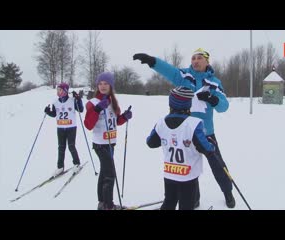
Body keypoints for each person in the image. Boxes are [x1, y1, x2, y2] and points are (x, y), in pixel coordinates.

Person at [133, 48, 235, 208]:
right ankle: (194, 197)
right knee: (188, 166)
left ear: (207, 61)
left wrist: (212, 98)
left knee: (218, 164)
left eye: (199, 58)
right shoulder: (184, 76)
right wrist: (152, 61)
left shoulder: (215, 82)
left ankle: (227, 191)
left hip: (206, 132)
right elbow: (168, 70)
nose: (195, 61)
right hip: (185, 133)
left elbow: (224, 106)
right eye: (193, 58)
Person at [146, 87, 215, 210]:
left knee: (169, 201)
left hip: (170, 173)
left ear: (171, 103)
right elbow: (206, 148)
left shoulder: (161, 122)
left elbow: (151, 142)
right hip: (188, 176)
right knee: (186, 204)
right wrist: (211, 144)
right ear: (189, 104)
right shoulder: (194, 123)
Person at [84, 72, 132, 210]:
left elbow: (116, 121)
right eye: (100, 84)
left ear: (111, 86)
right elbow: (88, 125)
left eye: (106, 83)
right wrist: (98, 109)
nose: (103, 86)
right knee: (110, 174)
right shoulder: (92, 103)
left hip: (111, 142)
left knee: (105, 172)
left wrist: (125, 117)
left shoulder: (112, 102)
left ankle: (102, 202)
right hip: (100, 144)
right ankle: (108, 205)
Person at [44, 83, 83, 176]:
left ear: (66, 91)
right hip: (60, 128)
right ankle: (60, 167)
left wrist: (78, 99)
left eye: (60, 90)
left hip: (71, 127)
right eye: (57, 90)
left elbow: (81, 109)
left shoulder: (72, 100)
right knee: (61, 147)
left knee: (71, 146)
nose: (58, 92)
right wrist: (48, 112)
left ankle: (76, 163)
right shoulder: (55, 102)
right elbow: (54, 114)